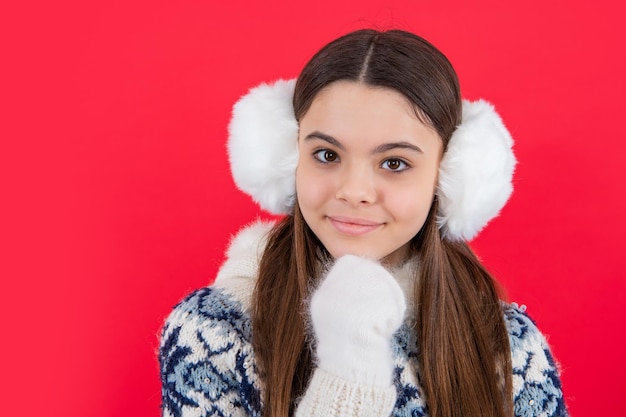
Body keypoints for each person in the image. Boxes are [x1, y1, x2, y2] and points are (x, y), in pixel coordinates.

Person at [159, 29, 568, 417]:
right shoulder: (213, 332)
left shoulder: (507, 345)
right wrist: (348, 374)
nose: (354, 191)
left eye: (395, 163)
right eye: (326, 155)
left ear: (450, 178)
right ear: (287, 158)